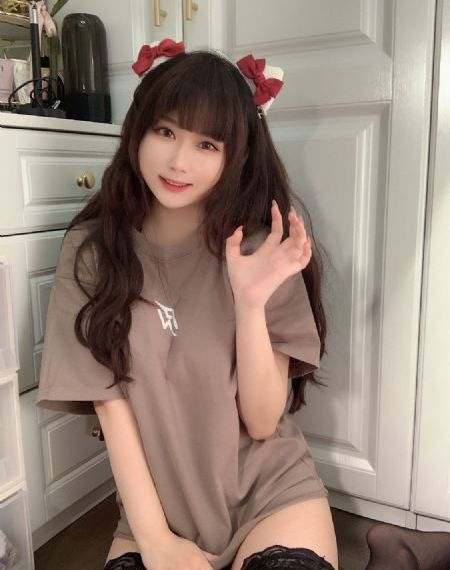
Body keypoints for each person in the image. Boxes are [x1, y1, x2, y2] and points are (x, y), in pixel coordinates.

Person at [35, 39, 450, 570]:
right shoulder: (92, 252)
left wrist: (250, 304)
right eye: (165, 131)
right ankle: (402, 556)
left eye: (207, 144)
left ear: (237, 154)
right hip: (157, 511)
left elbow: (261, 421)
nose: (179, 161)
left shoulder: (260, 249)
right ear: (137, 129)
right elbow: (110, 407)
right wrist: (157, 541)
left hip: (270, 495)